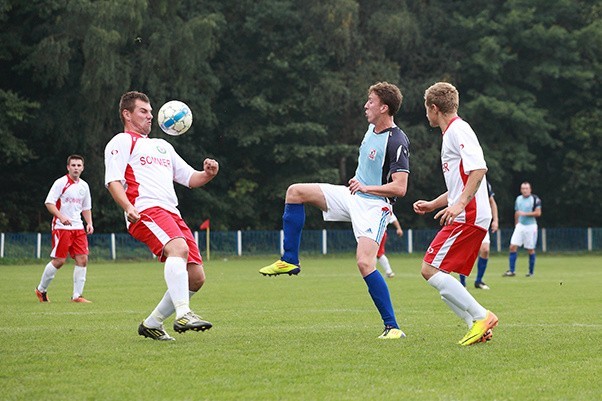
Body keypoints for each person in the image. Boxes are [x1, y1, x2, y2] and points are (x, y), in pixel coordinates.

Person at [259, 82, 410, 339]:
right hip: (353, 195)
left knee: (364, 263)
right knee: (295, 192)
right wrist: (360, 186)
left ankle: (393, 327)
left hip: (375, 206)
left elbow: (400, 188)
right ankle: (290, 261)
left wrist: (366, 187)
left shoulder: (397, 140)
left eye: (371, 101)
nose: (365, 105)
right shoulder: (371, 129)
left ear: (384, 107)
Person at [104, 91, 219, 341]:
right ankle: (184, 313)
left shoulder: (163, 146)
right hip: (144, 209)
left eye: (151, 112)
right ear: (127, 114)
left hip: (171, 212)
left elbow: (190, 178)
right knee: (177, 249)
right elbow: (112, 181)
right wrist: (128, 207)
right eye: (143, 111)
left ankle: (152, 323)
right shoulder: (121, 142)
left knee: (196, 278)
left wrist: (208, 173)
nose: (150, 116)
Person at [413, 82, 498, 346]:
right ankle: (477, 326)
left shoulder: (458, 130)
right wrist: (434, 204)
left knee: (429, 269)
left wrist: (460, 205)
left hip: (469, 214)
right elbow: (459, 185)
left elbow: (479, 169)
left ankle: (481, 316)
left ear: (434, 108)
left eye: (426, 110)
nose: (426, 115)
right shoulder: (451, 133)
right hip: (468, 212)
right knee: (441, 277)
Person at [35, 154, 94, 303]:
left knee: (83, 259)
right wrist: (61, 217)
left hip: (78, 228)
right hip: (62, 228)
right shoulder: (61, 183)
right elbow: (49, 203)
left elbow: (86, 207)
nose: (76, 168)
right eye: (73, 165)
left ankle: (77, 296)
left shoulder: (84, 186)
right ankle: (41, 289)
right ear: (68, 167)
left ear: (83, 168)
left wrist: (89, 223)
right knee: (59, 261)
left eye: (79, 165)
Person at [459, 179, 499, 289]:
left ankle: (479, 281)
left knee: (485, 250)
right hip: (468, 221)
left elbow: (492, 202)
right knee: (466, 253)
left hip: (481, 221)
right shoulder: (463, 181)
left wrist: (495, 220)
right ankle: (462, 282)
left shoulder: (485, 183)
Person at [504, 181, 541, 277]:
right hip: (520, 225)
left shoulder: (535, 199)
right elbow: (517, 212)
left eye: (526, 188)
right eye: (523, 188)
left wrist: (525, 214)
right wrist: (516, 223)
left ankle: (531, 272)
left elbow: (538, 213)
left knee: (530, 249)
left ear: (530, 189)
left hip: (531, 226)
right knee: (512, 247)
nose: (524, 190)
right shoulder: (518, 199)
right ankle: (512, 271)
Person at [377, 212, 403, 278]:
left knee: (378, 253)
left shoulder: (384, 207)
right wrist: (399, 228)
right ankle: (388, 271)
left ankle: (388, 271)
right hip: (379, 233)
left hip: (378, 233)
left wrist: (399, 228)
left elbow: (393, 218)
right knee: (377, 253)